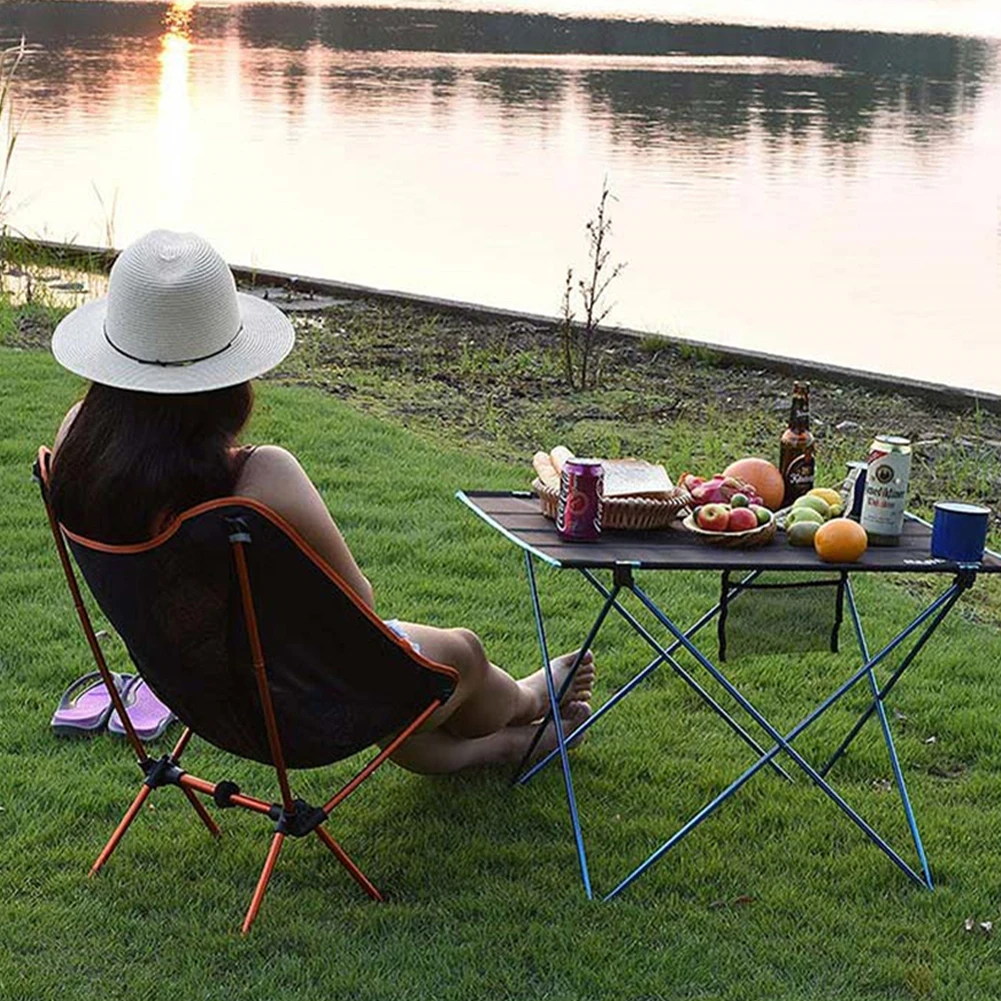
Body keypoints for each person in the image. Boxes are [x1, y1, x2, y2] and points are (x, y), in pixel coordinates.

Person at [49, 230, 594, 773]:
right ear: (228, 373)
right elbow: (359, 599)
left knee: (399, 685)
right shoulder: (260, 477)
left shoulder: (78, 448)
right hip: (308, 717)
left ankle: (497, 749)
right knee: (461, 655)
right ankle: (528, 700)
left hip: (199, 699)